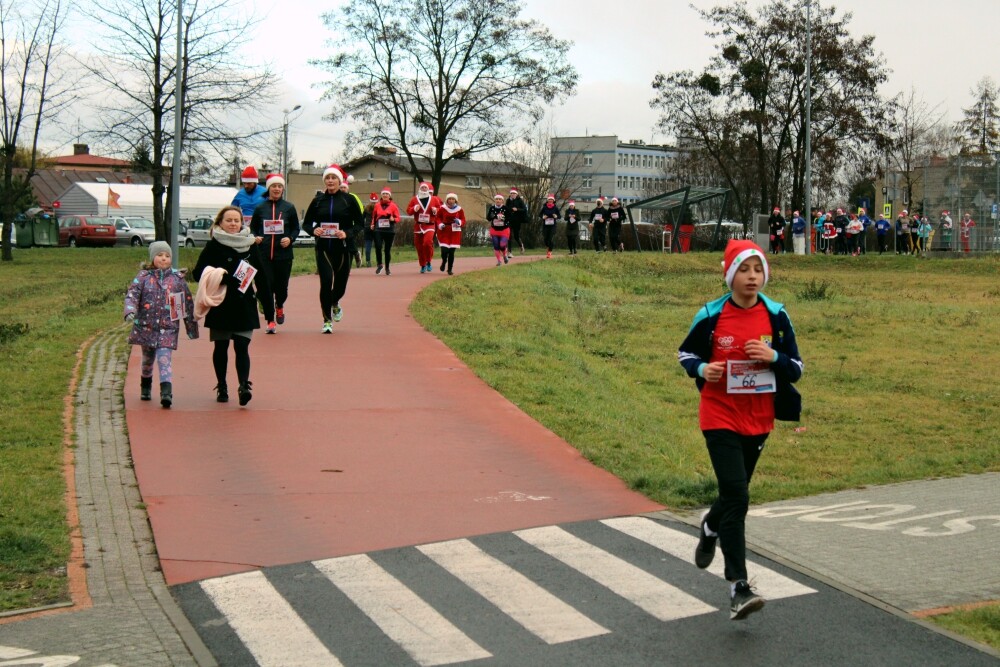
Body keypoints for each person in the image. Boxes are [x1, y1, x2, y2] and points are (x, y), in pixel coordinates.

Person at [677, 239, 803, 621]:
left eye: (758, 270)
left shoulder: (777, 316)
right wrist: (703, 370)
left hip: (759, 419)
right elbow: (686, 353)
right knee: (738, 496)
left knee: (734, 497)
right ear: (730, 275)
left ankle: (711, 524)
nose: (752, 277)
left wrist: (774, 356)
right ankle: (738, 587)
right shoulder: (712, 315)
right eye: (745, 270)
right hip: (719, 415)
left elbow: (796, 367)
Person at [193, 206, 273, 406]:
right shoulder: (213, 246)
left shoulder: (250, 245)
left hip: (244, 303)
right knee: (221, 346)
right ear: (220, 223)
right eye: (228, 220)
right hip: (221, 303)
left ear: (241, 223)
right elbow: (197, 273)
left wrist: (269, 307)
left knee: (242, 345)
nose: (233, 224)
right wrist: (222, 277)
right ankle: (221, 384)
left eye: (236, 220)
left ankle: (244, 385)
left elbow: (261, 276)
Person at [124, 241, 198, 408]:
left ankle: (166, 392)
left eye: (167, 256)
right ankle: (145, 386)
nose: (163, 259)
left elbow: (186, 303)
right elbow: (132, 294)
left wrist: (191, 328)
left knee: (164, 358)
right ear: (152, 258)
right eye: (159, 255)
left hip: (168, 328)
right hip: (146, 327)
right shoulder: (143, 277)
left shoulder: (177, 280)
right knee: (147, 360)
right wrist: (130, 311)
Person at [301, 164, 364, 333]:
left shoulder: (348, 200)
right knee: (326, 283)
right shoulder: (318, 200)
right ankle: (327, 320)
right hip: (323, 249)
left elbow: (359, 224)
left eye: (333, 178)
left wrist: (347, 233)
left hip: (343, 249)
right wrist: (314, 230)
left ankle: (335, 303)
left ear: (339, 180)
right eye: (327, 178)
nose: (330, 181)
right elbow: (307, 223)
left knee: (340, 287)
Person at [250, 172, 299, 334]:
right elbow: (253, 228)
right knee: (265, 287)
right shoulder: (260, 208)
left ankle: (280, 305)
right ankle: (270, 321)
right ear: (269, 188)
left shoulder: (289, 208)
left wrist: (290, 239)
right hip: (263, 255)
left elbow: (295, 229)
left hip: (283, 255)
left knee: (282, 288)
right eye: (274, 186)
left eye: (279, 186)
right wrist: (255, 237)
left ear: (283, 189)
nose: (277, 189)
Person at [407, 181, 442, 273]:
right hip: (418, 225)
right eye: (422, 187)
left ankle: (429, 261)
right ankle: (422, 265)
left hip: (430, 224)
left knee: (427, 243)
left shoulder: (434, 199)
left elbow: (440, 210)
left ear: (428, 189)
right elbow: (408, 211)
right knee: (419, 246)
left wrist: (435, 210)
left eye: (425, 188)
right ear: (419, 189)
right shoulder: (414, 199)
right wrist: (414, 209)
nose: (424, 189)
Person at [371, 187, 401, 275]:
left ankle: (387, 268)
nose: (385, 195)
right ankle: (379, 264)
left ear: (389, 196)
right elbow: (374, 216)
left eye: (387, 194)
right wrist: (372, 224)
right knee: (378, 246)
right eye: (383, 194)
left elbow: (398, 218)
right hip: (378, 229)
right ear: (381, 195)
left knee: (387, 250)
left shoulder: (393, 205)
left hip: (389, 230)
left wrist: (392, 219)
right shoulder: (377, 205)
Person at [436, 192, 466, 275]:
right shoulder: (442, 208)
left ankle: (449, 269)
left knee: (451, 252)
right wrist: (440, 224)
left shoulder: (459, 209)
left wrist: (459, 221)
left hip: (455, 232)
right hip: (444, 230)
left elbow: (463, 220)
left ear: (455, 200)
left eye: (453, 199)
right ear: (447, 200)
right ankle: (444, 261)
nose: (451, 201)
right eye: (449, 199)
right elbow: (438, 218)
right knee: (444, 251)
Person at [339, 174, 365, 268]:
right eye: (341, 187)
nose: (342, 189)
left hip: (352, 225)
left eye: (344, 187)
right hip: (339, 226)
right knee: (344, 245)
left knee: (349, 242)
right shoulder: (337, 197)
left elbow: (360, 209)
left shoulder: (353, 197)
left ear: (348, 188)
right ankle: (355, 253)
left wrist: (357, 221)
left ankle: (349, 264)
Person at [486, 193, 511, 266]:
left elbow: (510, 218)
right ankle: (499, 261)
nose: (498, 200)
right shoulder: (492, 208)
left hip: (504, 230)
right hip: (494, 230)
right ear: (495, 200)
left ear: (502, 201)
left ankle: (505, 255)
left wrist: (504, 219)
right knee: (496, 246)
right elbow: (488, 218)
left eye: (499, 199)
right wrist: (493, 216)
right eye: (497, 199)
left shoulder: (505, 208)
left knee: (502, 245)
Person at [504, 187, 527, 256]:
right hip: (509, 220)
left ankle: (521, 245)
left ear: (516, 194)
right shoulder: (508, 200)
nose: (512, 194)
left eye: (514, 193)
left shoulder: (520, 200)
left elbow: (524, 209)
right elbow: (506, 209)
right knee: (509, 236)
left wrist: (517, 209)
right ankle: (509, 252)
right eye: (511, 193)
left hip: (517, 220)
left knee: (516, 236)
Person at [539, 194, 560, 258]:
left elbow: (559, 216)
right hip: (546, 225)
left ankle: (549, 252)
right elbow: (540, 214)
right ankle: (549, 247)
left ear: (553, 200)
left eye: (551, 199)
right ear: (547, 200)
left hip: (552, 226)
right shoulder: (544, 207)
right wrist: (543, 217)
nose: (550, 200)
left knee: (550, 239)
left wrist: (556, 216)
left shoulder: (555, 208)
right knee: (545, 239)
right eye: (549, 199)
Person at [363, 193, 378, 267]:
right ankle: (378, 261)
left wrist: (363, 226)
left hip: (367, 228)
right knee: (378, 245)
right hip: (376, 228)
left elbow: (362, 218)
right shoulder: (379, 208)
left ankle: (368, 261)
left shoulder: (366, 208)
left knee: (368, 245)